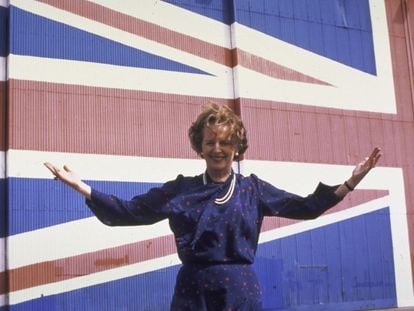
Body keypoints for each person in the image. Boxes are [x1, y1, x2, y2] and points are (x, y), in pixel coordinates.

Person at [44, 103, 381, 311]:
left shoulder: (253, 190)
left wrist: (349, 183)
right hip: (194, 294)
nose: (218, 148)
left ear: (237, 147)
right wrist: (82, 187)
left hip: (240, 292)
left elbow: (305, 207)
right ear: (199, 147)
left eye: (226, 141)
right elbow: (131, 212)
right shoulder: (181, 190)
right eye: (210, 142)